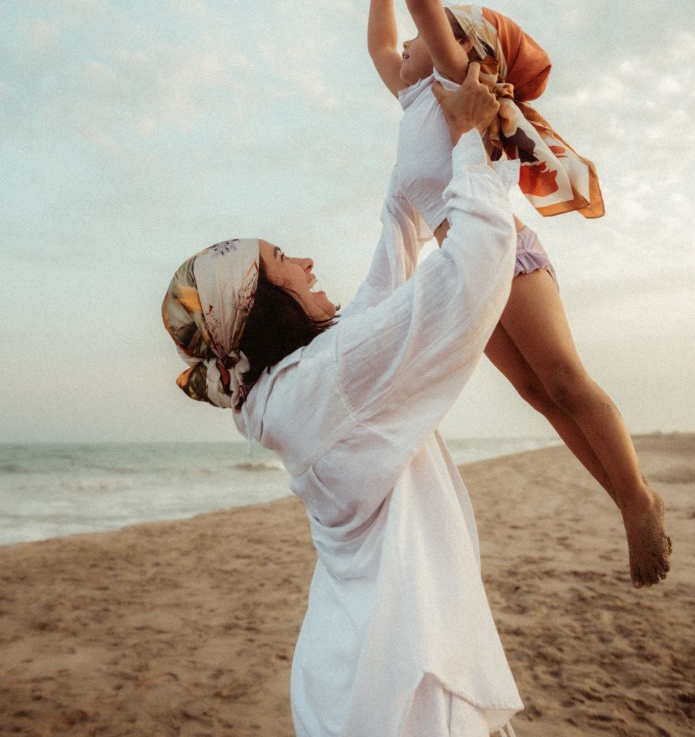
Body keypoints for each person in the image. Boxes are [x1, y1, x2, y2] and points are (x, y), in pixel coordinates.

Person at [162, 62, 524, 736]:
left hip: (349, 666)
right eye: (283, 260)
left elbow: (391, 257)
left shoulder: (284, 387)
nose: (306, 262)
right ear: (261, 306)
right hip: (402, 688)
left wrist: (429, 120)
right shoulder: (325, 381)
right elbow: (475, 265)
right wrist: (469, 142)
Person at [367, 0, 671, 589]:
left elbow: (423, 4)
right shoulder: (415, 96)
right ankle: (627, 500)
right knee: (536, 392)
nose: (408, 42)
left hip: (503, 250)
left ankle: (637, 501)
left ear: (463, 49)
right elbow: (382, 42)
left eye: (426, 36)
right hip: (465, 268)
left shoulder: (454, 80)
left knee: (564, 378)